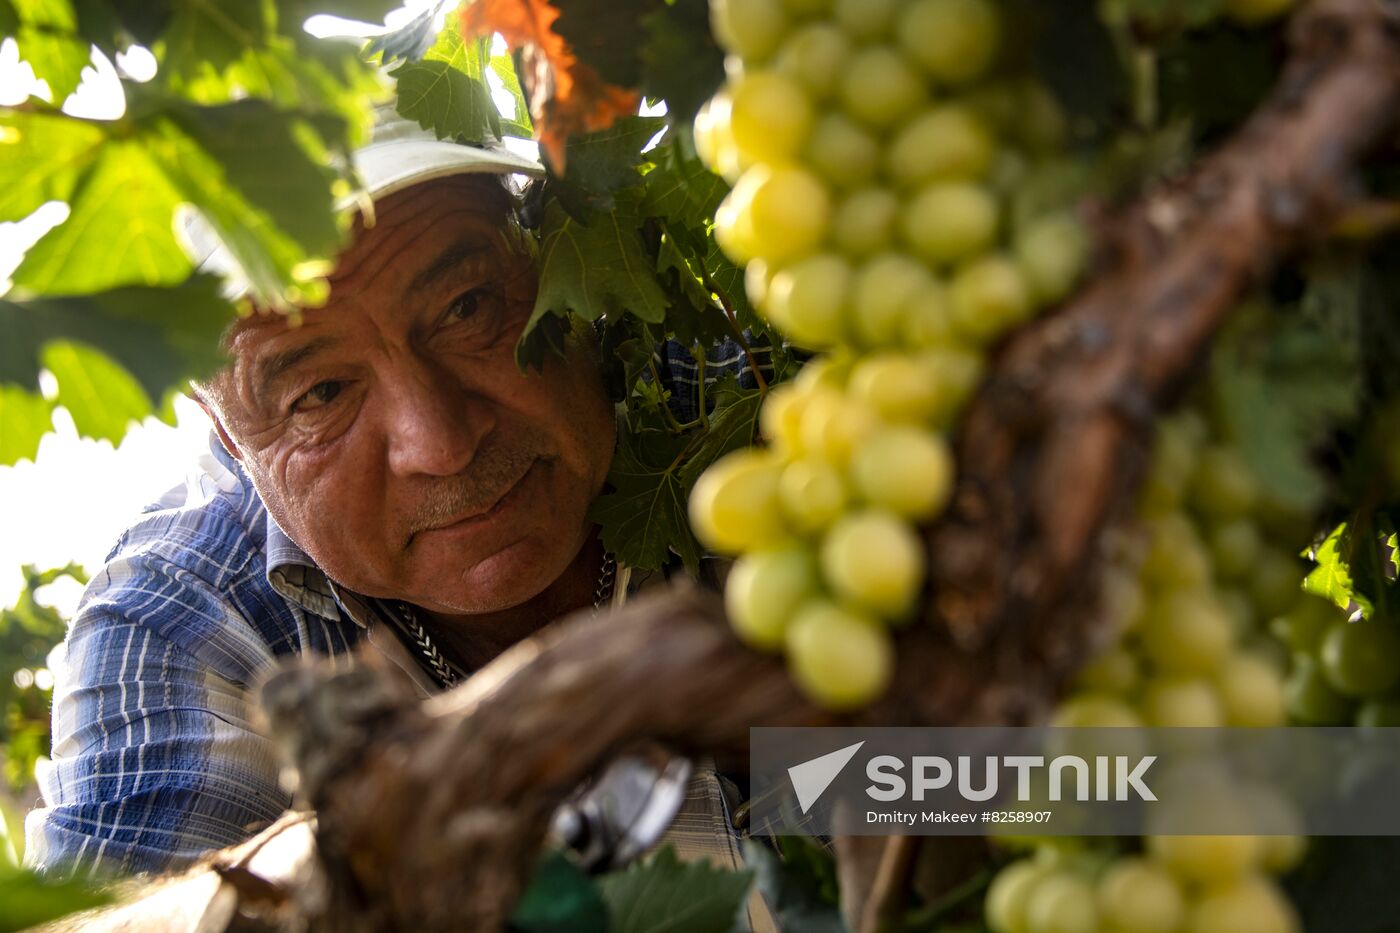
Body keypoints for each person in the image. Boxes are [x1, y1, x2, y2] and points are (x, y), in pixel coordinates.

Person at [23, 113, 772, 917]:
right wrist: (358, 847)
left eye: (467, 308)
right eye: (319, 395)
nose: (441, 442)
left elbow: (920, 802)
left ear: (554, 261)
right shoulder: (181, 613)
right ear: (232, 444)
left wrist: (839, 761)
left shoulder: (754, 412)